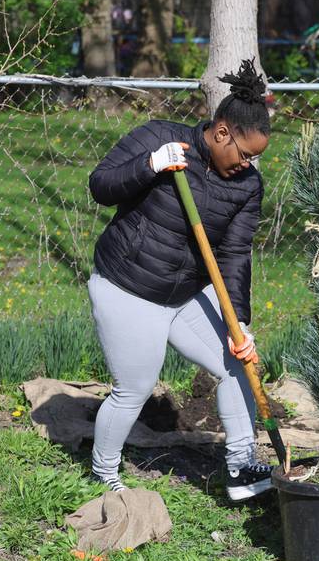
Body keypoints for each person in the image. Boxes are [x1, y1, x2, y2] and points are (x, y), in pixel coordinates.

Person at [87, 58, 272, 502]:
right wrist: (149, 165)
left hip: (186, 294)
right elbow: (100, 185)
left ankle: (243, 468)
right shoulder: (159, 137)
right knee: (134, 388)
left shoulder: (247, 185)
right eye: (245, 154)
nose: (248, 164)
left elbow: (232, 254)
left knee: (236, 368)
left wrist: (238, 323)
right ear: (222, 132)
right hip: (127, 286)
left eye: (256, 158)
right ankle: (102, 472)